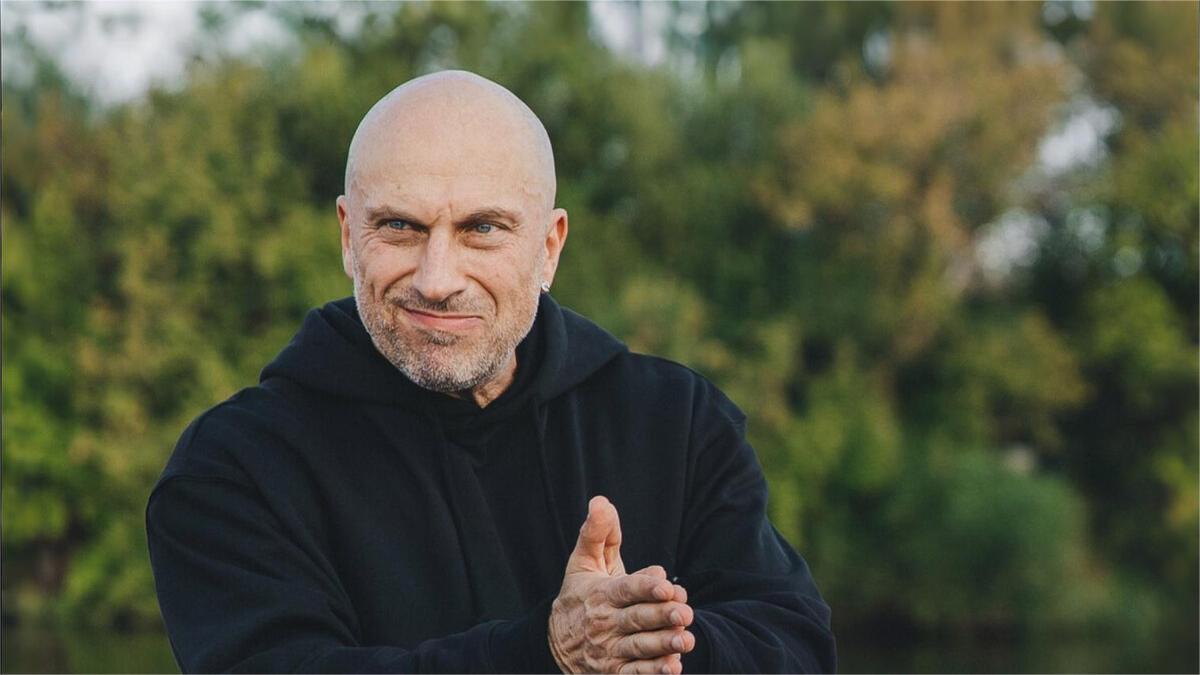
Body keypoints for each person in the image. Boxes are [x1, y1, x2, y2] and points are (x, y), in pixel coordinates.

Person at [146, 70, 836, 674]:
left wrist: (653, 644)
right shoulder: (236, 466)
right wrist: (547, 654)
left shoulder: (675, 421)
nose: (437, 279)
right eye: (400, 227)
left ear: (549, 246)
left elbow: (794, 645)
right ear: (348, 236)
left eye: (482, 229)